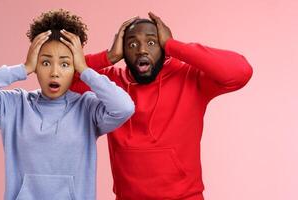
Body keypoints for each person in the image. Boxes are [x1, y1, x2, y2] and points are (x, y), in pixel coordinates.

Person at [70, 12, 253, 200]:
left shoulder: (189, 77)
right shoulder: (110, 84)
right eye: (132, 44)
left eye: (152, 42)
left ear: (163, 47)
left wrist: (174, 46)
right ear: (123, 52)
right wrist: (108, 57)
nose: (142, 50)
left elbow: (240, 71)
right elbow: (65, 78)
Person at [0, 9, 134, 200]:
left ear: (74, 67)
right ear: (36, 65)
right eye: (45, 63)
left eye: (65, 64)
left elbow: (124, 107)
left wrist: (84, 70)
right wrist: (22, 69)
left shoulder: (87, 108)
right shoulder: (15, 106)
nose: (54, 72)